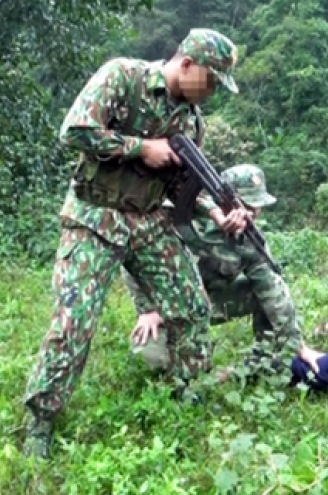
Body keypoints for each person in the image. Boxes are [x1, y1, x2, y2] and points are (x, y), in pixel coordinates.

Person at [21, 28, 248, 460]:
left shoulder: (191, 121)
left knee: (191, 308)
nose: (213, 91)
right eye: (212, 80)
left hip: (148, 220)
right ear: (187, 64)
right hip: (95, 216)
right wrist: (141, 147)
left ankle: (189, 394)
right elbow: (74, 131)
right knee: (74, 322)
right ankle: (40, 420)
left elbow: (182, 186)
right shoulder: (123, 76)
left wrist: (217, 209)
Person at [124, 164, 322, 381]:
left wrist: (298, 346)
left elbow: (273, 293)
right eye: (246, 205)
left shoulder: (250, 240)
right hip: (169, 306)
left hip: (212, 303)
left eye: (257, 206)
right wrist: (148, 309)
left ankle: (260, 363)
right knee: (155, 362)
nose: (251, 213)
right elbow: (135, 257)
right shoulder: (181, 216)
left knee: (267, 293)